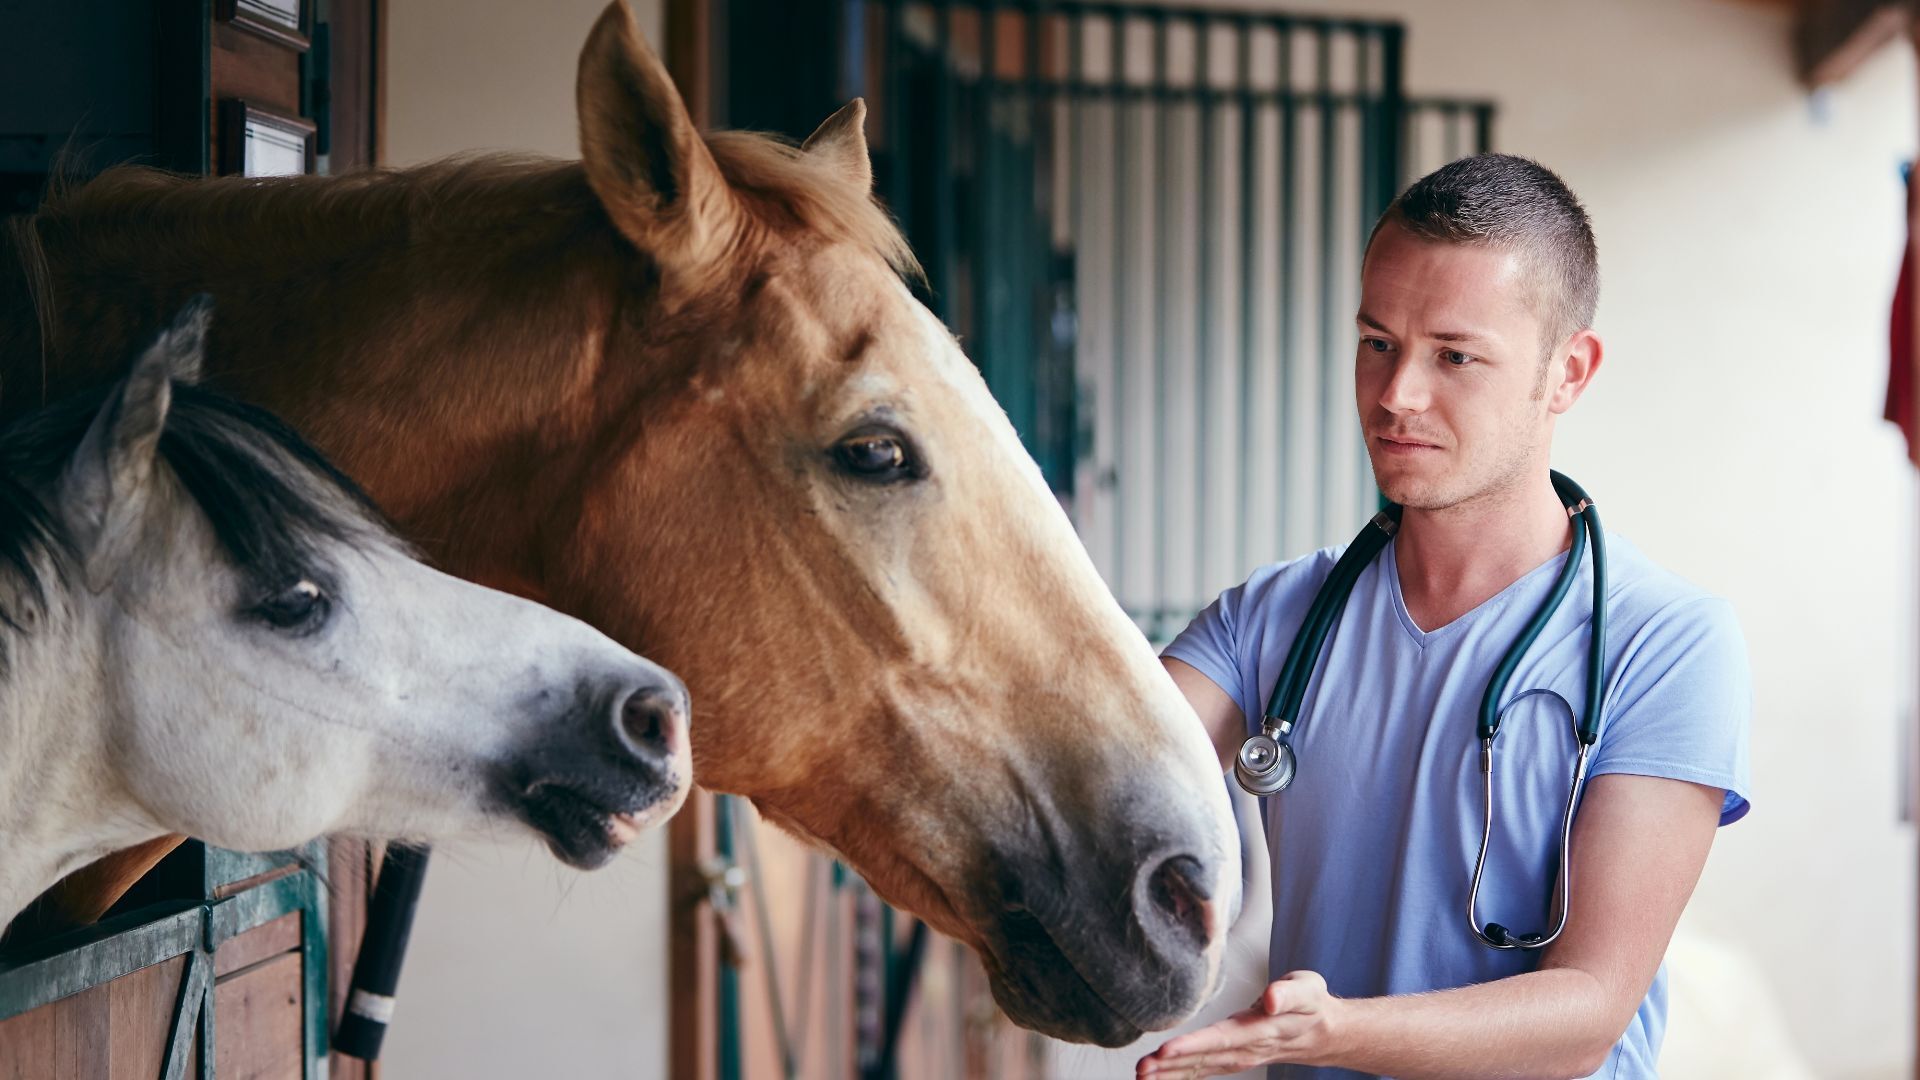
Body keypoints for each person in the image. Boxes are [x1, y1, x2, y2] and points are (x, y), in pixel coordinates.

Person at [1136, 154, 1752, 1079]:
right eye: (1377, 342)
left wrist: (1334, 1033)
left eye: (1454, 356)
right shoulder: (1269, 621)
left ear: (1568, 372)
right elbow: (1108, 768)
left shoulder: (1664, 645)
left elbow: (1588, 1011)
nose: (1396, 396)